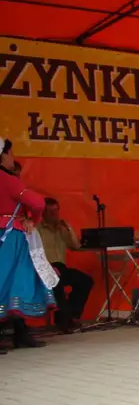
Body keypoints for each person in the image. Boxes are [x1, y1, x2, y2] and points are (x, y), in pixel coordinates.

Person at [0, 137, 58, 352]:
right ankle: (20, 334)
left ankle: (20, 333)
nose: (12, 158)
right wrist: (33, 220)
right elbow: (38, 203)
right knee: (14, 281)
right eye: (10, 154)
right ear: (3, 155)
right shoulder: (8, 180)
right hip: (10, 236)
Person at [37, 197, 94, 332]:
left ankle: (72, 315)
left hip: (61, 267)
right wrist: (48, 267)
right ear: (43, 213)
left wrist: (68, 227)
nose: (54, 214)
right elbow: (35, 252)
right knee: (57, 284)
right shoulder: (37, 229)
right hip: (46, 267)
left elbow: (76, 246)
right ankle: (63, 321)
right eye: (50, 211)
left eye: (56, 211)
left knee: (85, 281)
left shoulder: (62, 229)